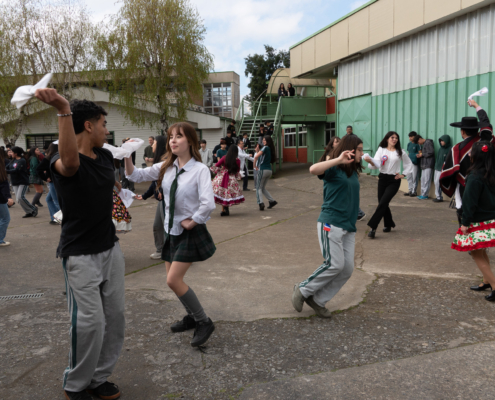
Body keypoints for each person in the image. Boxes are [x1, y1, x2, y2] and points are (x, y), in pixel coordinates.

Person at [32, 89, 126, 400]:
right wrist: (63, 108)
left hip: (110, 248)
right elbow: (72, 165)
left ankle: (99, 378)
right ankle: (75, 383)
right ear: (88, 125)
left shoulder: (105, 156)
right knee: (89, 323)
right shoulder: (60, 161)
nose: (106, 130)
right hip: (80, 254)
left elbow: (109, 184)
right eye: (103, 124)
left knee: (114, 318)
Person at [125, 122, 217, 347]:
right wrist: (127, 154)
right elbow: (135, 175)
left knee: (173, 280)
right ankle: (192, 317)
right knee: (174, 282)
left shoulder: (200, 170)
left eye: (179, 136)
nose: (173, 140)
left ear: (190, 141)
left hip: (188, 232)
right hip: (171, 230)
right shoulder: (166, 166)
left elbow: (208, 203)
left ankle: (204, 321)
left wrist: (193, 221)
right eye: (170, 137)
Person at [292, 134, 364, 317]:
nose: (362, 154)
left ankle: (318, 300)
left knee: (347, 269)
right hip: (331, 223)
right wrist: (337, 159)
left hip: (348, 227)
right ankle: (302, 289)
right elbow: (313, 169)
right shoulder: (334, 169)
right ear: (350, 150)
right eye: (359, 150)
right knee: (335, 264)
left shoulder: (353, 172)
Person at [451, 141, 495, 302]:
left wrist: (465, 223)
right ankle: (486, 281)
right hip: (491, 219)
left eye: (471, 152)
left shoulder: (474, 176)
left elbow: (469, 202)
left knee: (476, 253)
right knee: (481, 251)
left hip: (478, 221)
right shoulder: (491, 173)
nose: (469, 154)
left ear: (476, 156)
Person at [364, 131, 414, 238]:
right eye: (392, 137)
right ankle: (388, 223)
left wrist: (403, 174)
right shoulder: (381, 150)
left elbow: (409, 164)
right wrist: (371, 161)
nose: (394, 139)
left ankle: (373, 228)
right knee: (382, 203)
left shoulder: (400, 151)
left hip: (394, 180)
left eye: (396, 138)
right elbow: (375, 165)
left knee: (382, 203)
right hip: (382, 178)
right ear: (387, 139)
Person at [135, 135, 167, 260]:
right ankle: (161, 250)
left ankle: (177, 253)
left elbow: (169, 180)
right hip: (161, 200)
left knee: (168, 227)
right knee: (157, 226)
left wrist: (163, 190)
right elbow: (154, 183)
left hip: (167, 200)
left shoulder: (166, 161)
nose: (152, 145)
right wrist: (144, 196)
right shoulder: (158, 161)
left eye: (154, 143)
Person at [211, 145, 245, 216]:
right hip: (231, 178)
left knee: (222, 193)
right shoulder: (237, 160)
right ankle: (225, 209)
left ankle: (223, 210)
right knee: (227, 194)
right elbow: (237, 171)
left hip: (222, 176)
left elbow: (216, 165)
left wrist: (220, 169)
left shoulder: (224, 157)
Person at [6, 147, 38, 218]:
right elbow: (7, 167)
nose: (10, 153)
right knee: (18, 200)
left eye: (12, 152)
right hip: (15, 182)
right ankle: (29, 212)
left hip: (22, 181)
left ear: (16, 153)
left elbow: (16, 170)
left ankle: (33, 208)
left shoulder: (22, 160)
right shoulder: (13, 160)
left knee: (20, 197)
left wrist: (5, 171)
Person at [37, 143, 61, 225]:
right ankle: (55, 218)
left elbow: (38, 169)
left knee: (56, 201)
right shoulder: (59, 158)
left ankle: (61, 218)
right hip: (57, 181)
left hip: (53, 182)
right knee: (49, 199)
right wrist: (45, 177)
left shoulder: (48, 158)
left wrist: (45, 177)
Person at [253, 135, 277, 211]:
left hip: (263, 170)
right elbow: (261, 157)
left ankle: (260, 203)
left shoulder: (265, 147)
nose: (263, 141)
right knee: (262, 188)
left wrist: (254, 166)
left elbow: (256, 157)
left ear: (268, 141)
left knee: (258, 188)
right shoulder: (270, 149)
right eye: (263, 140)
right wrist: (258, 151)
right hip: (269, 170)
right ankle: (272, 201)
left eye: (264, 140)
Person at [0, 148, 14, 247]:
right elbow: (3, 185)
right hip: (1, 198)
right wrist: (7, 198)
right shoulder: (1, 168)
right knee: (5, 218)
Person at [433, 135, 452, 203]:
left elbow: (449, 160)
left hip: (442, 169)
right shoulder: (440, 149)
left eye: (442, 141)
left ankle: (439, 197)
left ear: (446, 141)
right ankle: (437, 196)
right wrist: (436, 166)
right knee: (435, 182)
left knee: (438, 182)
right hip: (437, 168)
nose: (441, 142)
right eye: (440, 141)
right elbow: (438, 158)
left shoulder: (450, 149)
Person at [416, 135, 435, 199]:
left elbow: (431, 152)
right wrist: (421, 155)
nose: (419, 143)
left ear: (420, 139)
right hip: (424, 165)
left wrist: (422, 155)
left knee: (427, 180)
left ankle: (425, 195)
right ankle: (423, 194)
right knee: (423, 179)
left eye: (418, 142)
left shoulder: (428, 142)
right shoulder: (425, 144)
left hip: (428, 164)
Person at [405, 132, 421, 196]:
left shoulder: (417, 144)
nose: (410, 138)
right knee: (409, 177)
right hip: (409, 164)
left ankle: (414, 191)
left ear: (415, 136)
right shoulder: (409, 144)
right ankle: (410, 190)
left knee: (414, 177)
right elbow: (409, 152)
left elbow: (420, 153)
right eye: (409, 137)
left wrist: (416, 156)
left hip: (415, 163)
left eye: (411, 136)